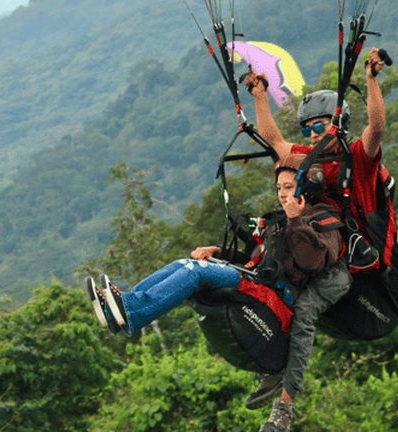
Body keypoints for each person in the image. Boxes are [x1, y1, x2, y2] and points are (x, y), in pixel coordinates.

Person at [86, 157, 350, 432]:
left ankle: (129, 314)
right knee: (183, 264)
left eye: (289, 186)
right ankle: (124, 306)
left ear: (306, 189)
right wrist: (218, 252)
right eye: (279, 188)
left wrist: (296, 220)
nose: (283, 193)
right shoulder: (279, 221)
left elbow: (312, 262)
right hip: (255, 279)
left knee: (195, 272)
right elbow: (259, 258)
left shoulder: (323, 222)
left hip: (273, 298)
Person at [243, 47, 387, 425]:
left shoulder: (358, 157)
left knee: (305, 311)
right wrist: (260, 97)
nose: (312, 134)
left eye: (319, 126)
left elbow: (378, 127)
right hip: (308, 249)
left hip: (340, 263)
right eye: (307, 128)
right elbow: (275, 140)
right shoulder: (308, 157)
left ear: (338, 123)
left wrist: (371, 80)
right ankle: (273, 366)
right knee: (269, 287)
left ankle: (286, 408)